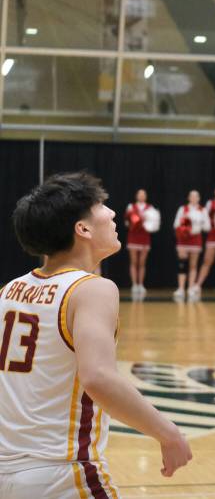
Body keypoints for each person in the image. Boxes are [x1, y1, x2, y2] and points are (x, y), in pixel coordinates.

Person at [3, 172, 191, 497]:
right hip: (61, 474)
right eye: (102, 206)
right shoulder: (92, 289)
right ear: (83, 228)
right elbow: (98, 378)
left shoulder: (9, 290)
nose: (113, 213)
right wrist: (167, 432)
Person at [173, 190, 209, 302]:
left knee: (193, 265)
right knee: (182, 264)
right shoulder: (182, 209)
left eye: (196, 196)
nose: (194, 198)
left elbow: (207, 227)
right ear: (189, 198)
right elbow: (176, 224)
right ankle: (181, 288)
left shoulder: (203, 210)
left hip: (195, 240)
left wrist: (198, 225)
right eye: (192, 196)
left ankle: (191, 288)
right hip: (183, 240)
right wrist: (185, 227)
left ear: (199, 198)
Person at [125, 188, 160, 299]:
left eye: (143, 194)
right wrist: (135, 221)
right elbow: (127, 222)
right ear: (136, 196)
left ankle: (141, 284)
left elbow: (154, 224)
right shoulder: (131, 207)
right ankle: (134, 285)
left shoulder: (150, 208)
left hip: (144, 237)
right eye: (139, 194)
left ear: (146, 196)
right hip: (133, 237)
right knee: (134, 261)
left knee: (142, 262)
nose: (141, 196)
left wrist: (145, 220)